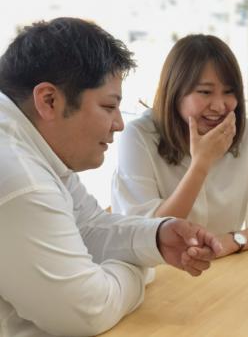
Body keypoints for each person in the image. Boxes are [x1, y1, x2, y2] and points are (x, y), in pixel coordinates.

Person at [0, 18, 222, 337]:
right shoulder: (22, 179)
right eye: (108, 106)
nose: (119, 124)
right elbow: (88, 312)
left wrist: (157, 237)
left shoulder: (32, 147)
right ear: (49, 100)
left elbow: (87, 225)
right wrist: (137, 268)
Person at [111, 34, 248, 257]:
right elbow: (148, 233)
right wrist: (200, 165)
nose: (219, 106)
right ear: (175, 91)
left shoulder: (247, 134)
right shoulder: (138, 136)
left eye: (229, 92)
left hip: (224, 264)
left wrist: (232, 241)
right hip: (160, 269)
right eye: (205, 92)